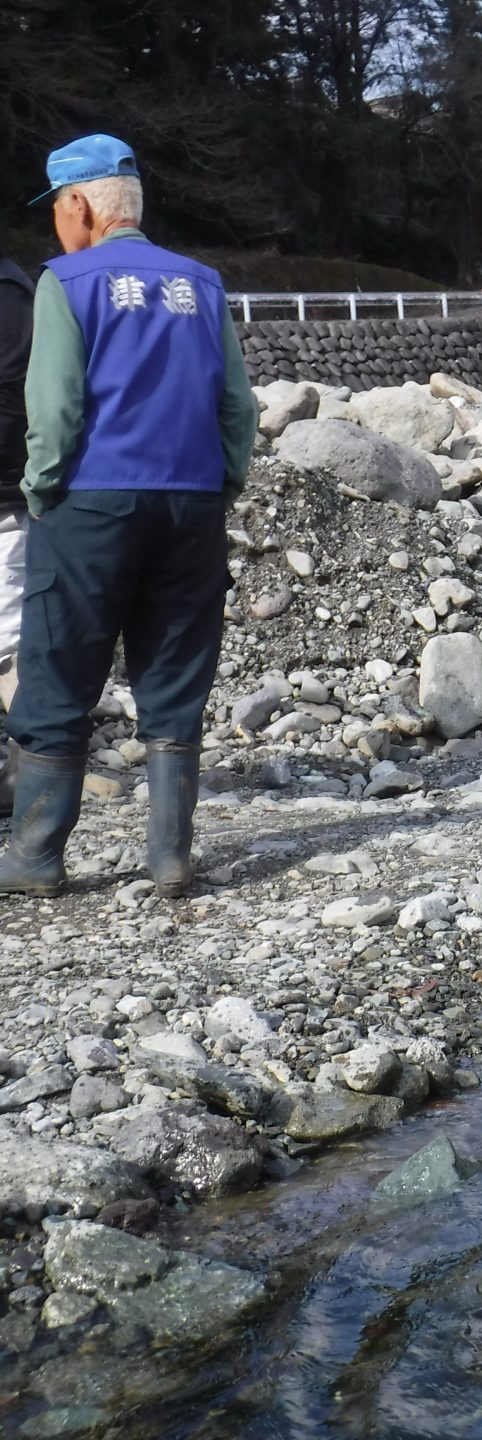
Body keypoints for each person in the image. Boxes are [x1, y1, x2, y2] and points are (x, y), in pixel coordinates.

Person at [0, 134, 257, 899]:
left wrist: (43, 490)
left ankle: (38, 856)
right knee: (176, 669)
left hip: (91, 502)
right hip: (191, 502)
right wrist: (221, 485)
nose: (55, 223)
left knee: (59, 672)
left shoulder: (66, 282)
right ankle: (171, 858)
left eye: (56, 209)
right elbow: (236, 406)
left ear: (79, 205)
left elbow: (52, 410)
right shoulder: (201, 284)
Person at [0, 243, 32, 814]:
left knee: (8, 653)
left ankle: (30, 790)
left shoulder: (10, 295)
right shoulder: (20, 290)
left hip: (5, 499)